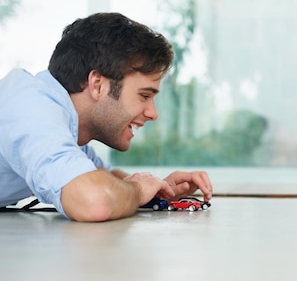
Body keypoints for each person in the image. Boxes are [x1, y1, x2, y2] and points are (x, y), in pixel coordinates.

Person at [0, 12, 212, 222]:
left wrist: (159, 190)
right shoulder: (31, 107)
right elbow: (95, 201)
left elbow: (106, 180)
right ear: (98, 85)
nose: (152, 113)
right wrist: (138, 190)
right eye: (144, 95)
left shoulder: (65, 127)